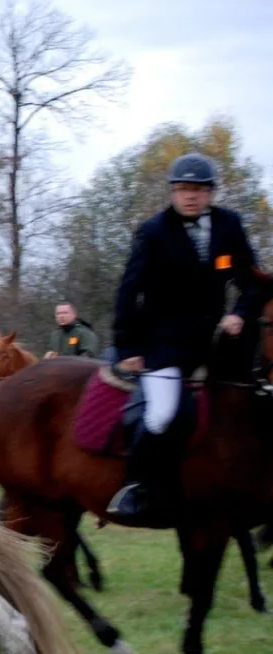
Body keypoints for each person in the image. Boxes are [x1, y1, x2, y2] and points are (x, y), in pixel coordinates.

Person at [107, 153, 258, 518]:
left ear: (211, 193)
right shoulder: (153, 231)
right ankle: (134, 486)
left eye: (198, 190)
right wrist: (128, 346)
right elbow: (129, 291)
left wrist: (239, 314)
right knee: (161, 414)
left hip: (217, 343)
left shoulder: (229, 225)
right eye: (183, 189)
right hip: (164, 345)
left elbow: (251, 281)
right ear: (173, 192)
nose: (190, 196)